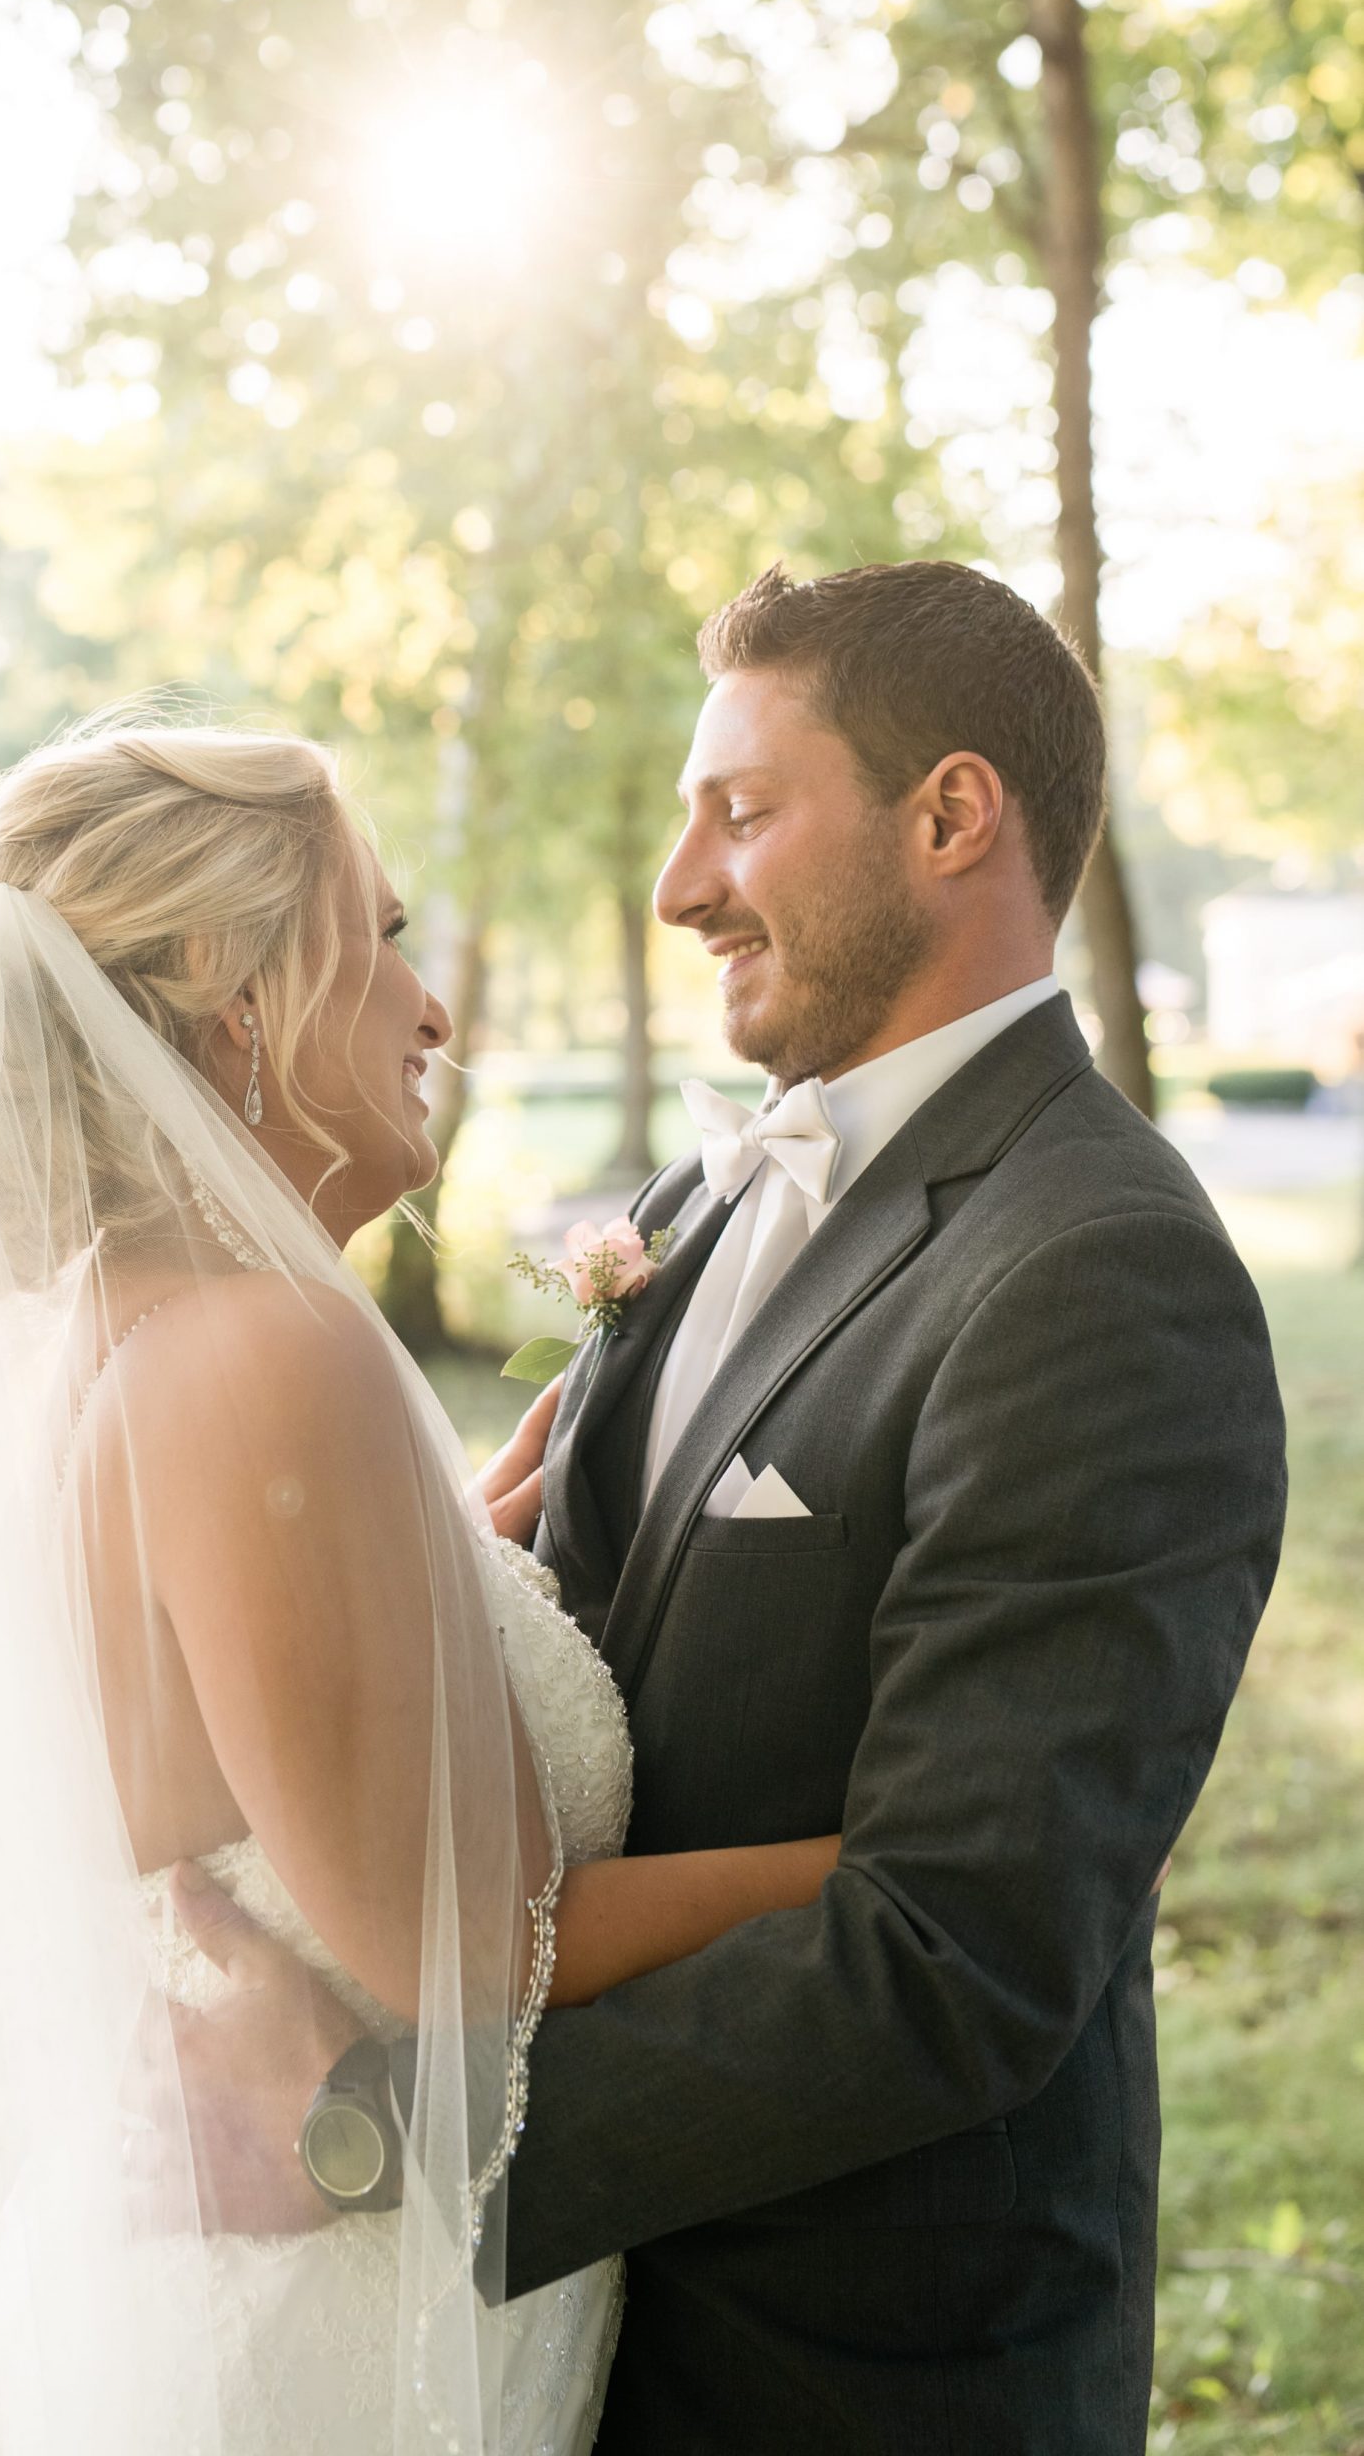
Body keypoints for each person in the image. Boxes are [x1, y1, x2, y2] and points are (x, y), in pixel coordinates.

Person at [167, 561, 1287, 2454]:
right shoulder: (692, 1212)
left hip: (848, 2372)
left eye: (742, 813)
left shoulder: (1099, 1275)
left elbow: (966, 1954)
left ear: (951, 816)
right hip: (563, 2355)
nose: (683, 886)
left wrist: (371, 2123)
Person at [0, 716, 855, 2456]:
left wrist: (448, 1568)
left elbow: (241, 1750)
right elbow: (471, 1948)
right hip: (332, 2352)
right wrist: (900, 1869)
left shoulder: (121, 1329)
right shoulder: (265, 1352)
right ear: (237, 1003)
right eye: (380, 940)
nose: (432, 1008)